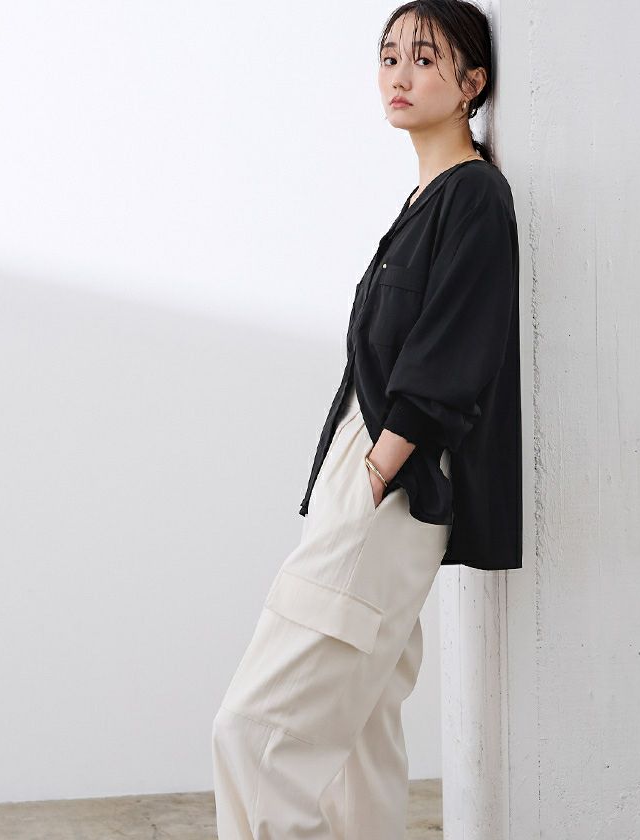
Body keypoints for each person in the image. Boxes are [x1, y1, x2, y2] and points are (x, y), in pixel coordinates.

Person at [212, 1, 522, 836]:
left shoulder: (473, 196)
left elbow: (454, 347)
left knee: (252, 734)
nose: (399, 75)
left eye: (424, 58)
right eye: (389, 57)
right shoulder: (427, 198)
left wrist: (381, 465)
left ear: (472, 84)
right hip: (373, 474)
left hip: (393, 479)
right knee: (359, 736)